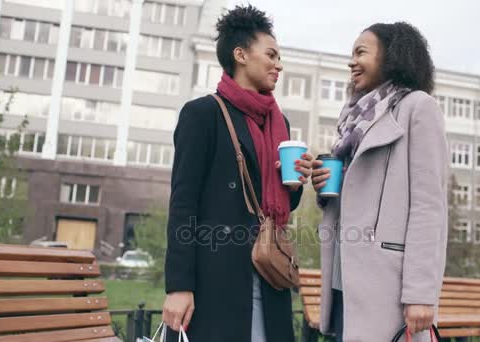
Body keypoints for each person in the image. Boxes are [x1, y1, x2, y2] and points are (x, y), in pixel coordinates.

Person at [161, 5, 312, 342]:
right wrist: (179, 287)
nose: (279, 64)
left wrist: (296, 182)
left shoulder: (279, 123)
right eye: (271, 54)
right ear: (241, 55)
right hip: (217, 280)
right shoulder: (203, 115)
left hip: (269, 273)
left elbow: (279, 204)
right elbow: (183, 205)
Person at [311, 22, 449, 341]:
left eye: (361, 52)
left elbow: (429, 207)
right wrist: (330, 187)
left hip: (390, 283)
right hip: (345, 277)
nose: (352, 62)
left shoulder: (418, 107)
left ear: (391, 56)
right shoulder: (354, 119)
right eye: (351, 54)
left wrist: (420, 293)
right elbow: (362, 194)